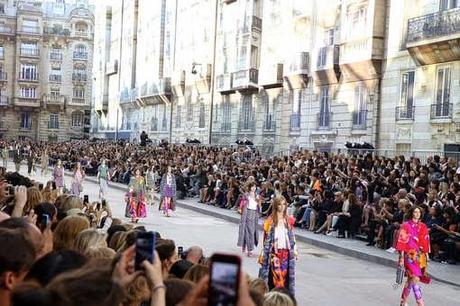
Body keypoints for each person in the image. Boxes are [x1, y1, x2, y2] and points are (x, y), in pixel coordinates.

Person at [258, 196, 297, 296]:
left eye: (284, 204)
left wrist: (295, 250)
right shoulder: (270, 220)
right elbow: (266, 239)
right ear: (275, 205)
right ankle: (274, 296)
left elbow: (292, 237)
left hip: (286, 252)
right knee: (276, 276)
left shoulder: (288, 220)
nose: (282, 207)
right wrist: (263, 253)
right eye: (280, 204)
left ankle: (281, 297)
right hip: (274, 253)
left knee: (284, 276)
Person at [396, 206, 430, 306]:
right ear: (412, 213)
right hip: (408, 256)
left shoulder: (423, 226)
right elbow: (402, 242)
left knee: (410, 280)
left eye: (419, 212)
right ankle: (420, 302)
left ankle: (403, 301)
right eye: (415, 212)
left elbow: (426, 241)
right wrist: (402, 258)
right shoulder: (405, 225)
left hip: (419, 256)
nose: (417, 213)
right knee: (415, 278)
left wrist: (427, 256)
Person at [237, 182, 260, 257]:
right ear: (250, 187)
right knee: (249, 231)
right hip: (247, 213)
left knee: (252, 231)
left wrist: (258, 202)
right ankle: (250, 250)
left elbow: (259, 206)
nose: (254, 188)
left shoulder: (257, 195)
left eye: (255, 187)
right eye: (252, 187)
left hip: (255, 214)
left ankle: (245, 244)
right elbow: (242, 204)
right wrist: (241, 209)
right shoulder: (246, 195)